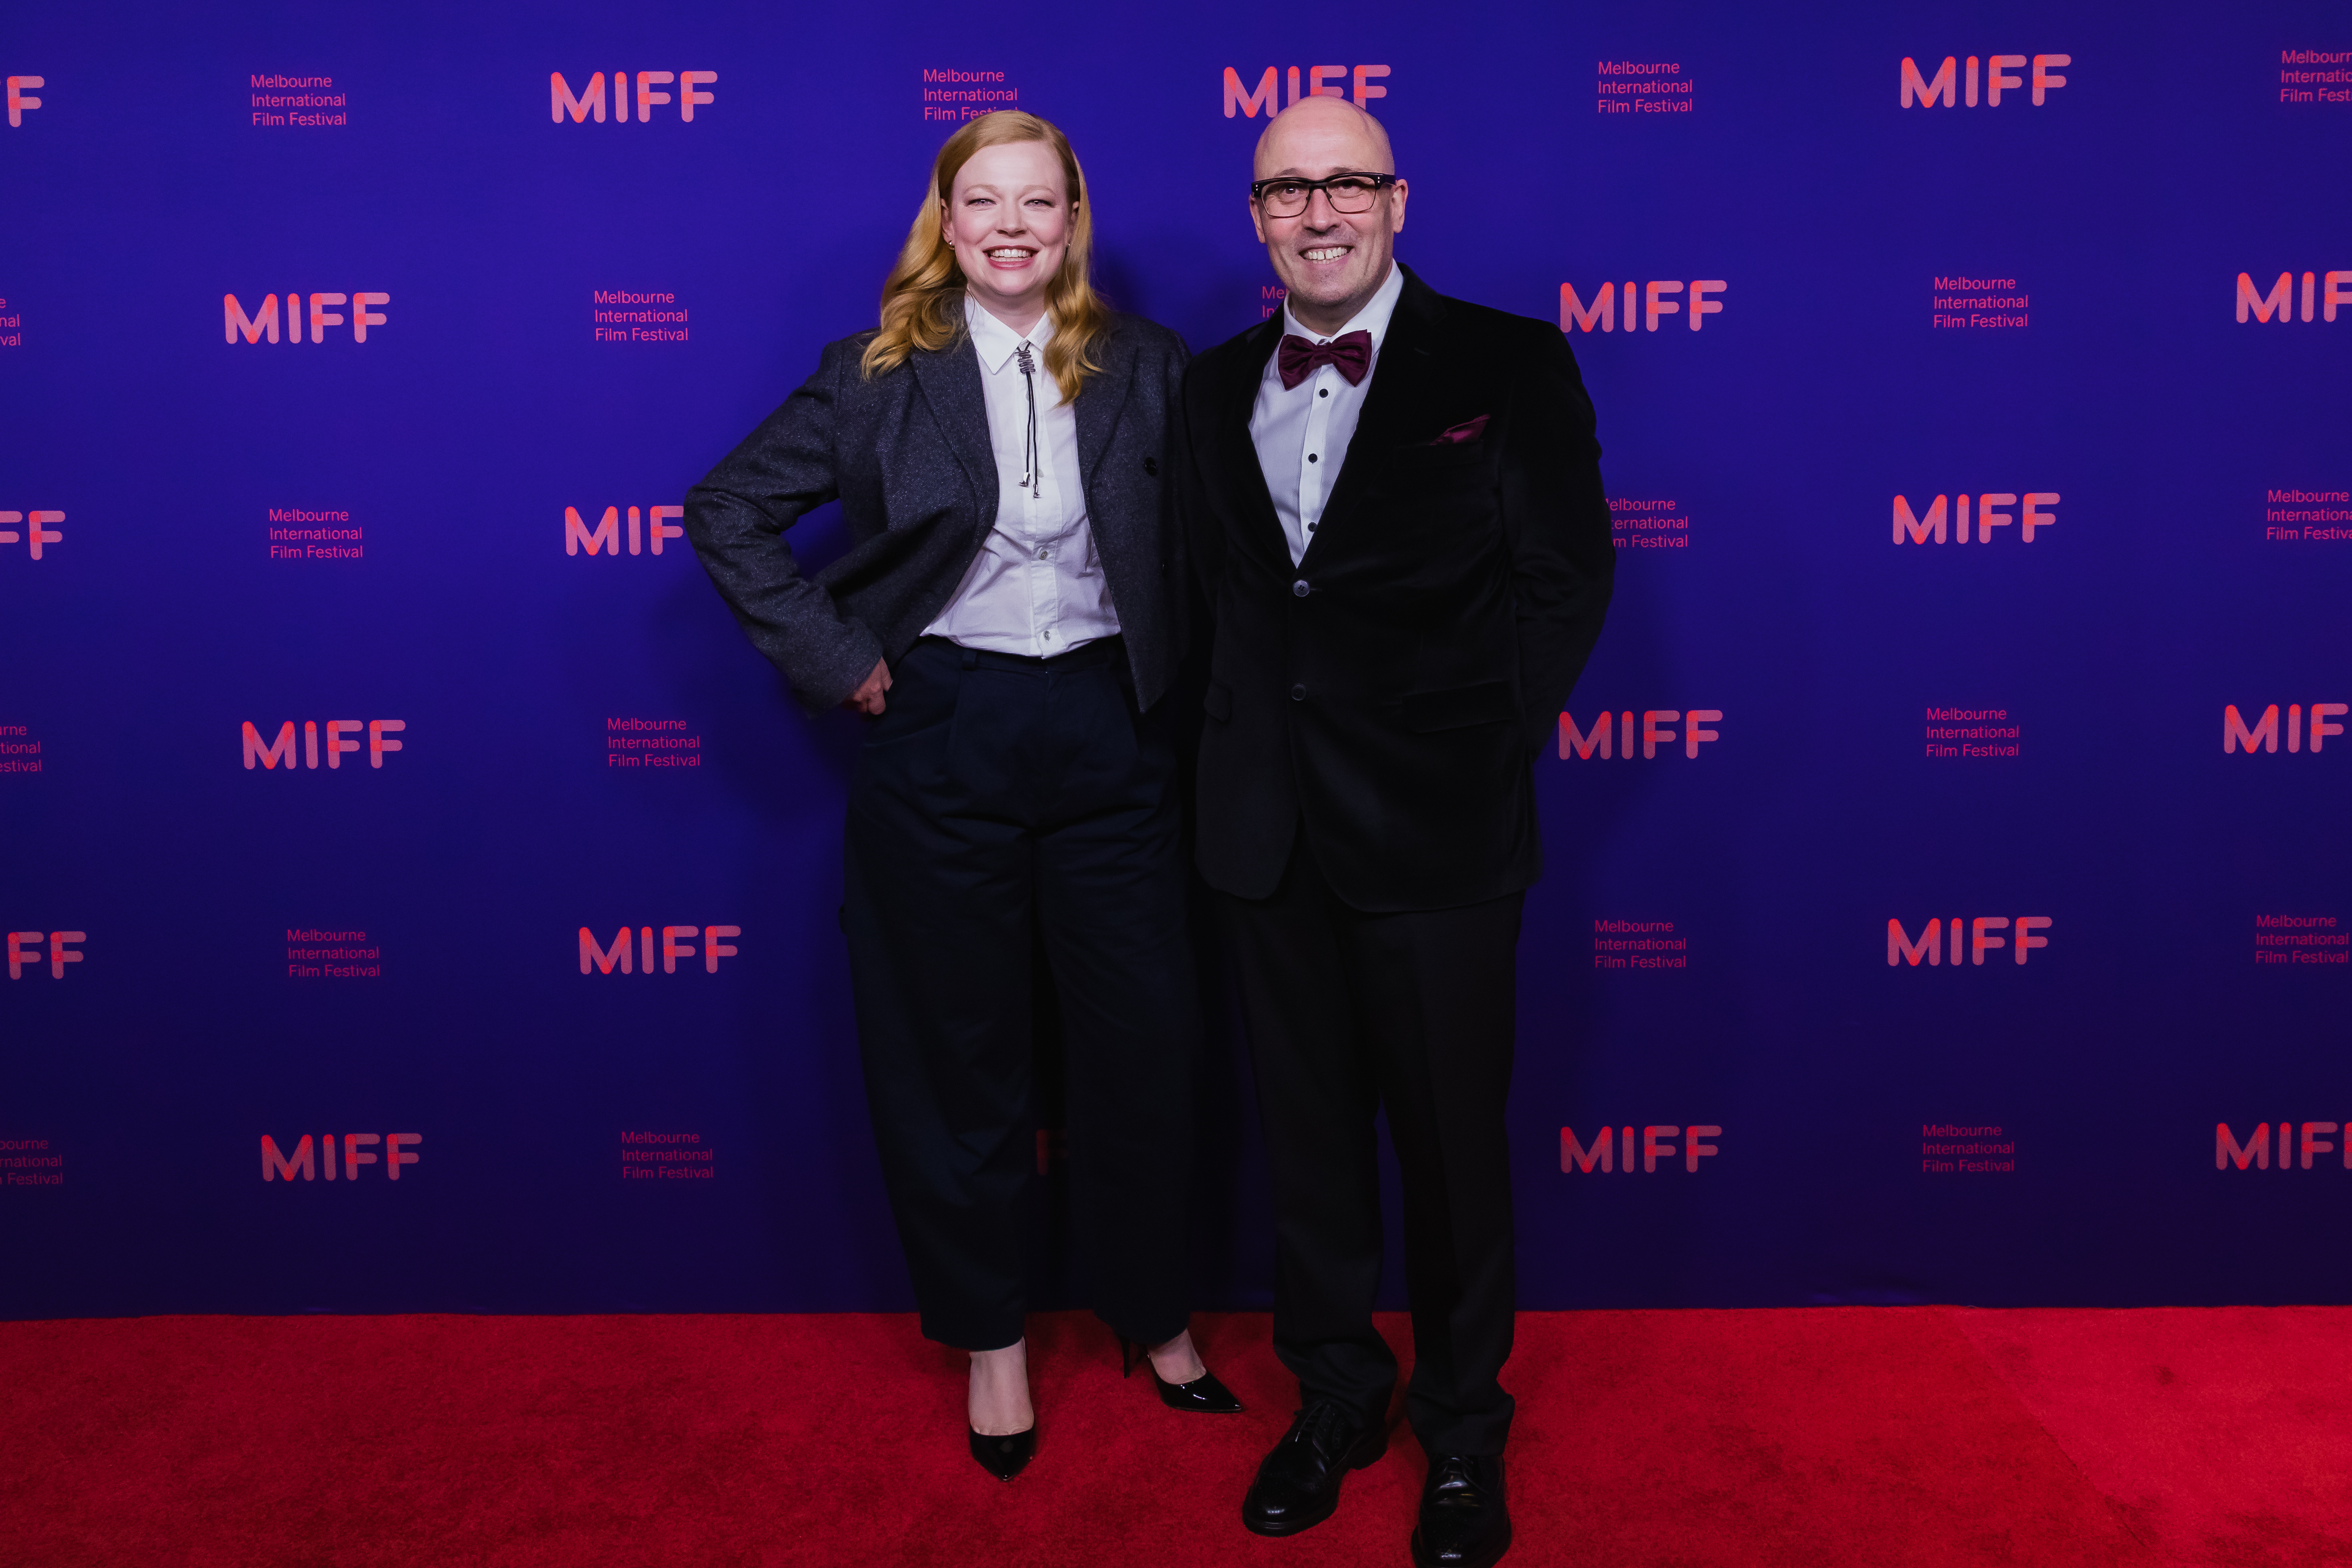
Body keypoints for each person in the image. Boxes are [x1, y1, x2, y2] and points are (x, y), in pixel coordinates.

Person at [684, 110, 1240, 1484]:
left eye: (1036, 204)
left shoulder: (1148, 365)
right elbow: (726, 509)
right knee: (956, 1058)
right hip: (945, 731)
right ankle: (991, 1340)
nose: (1009, 226)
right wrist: (843, 659)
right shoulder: (880, 371)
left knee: (1145, 1048)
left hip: (1116, 736)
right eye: (981, 200)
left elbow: (1216, 548)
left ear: (1071, 222)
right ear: (947, 219)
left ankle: (1154, 1316)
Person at [1172, 96, 1613, 1566]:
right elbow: (1213, 607)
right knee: (1309, 1152)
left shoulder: (1508, 359)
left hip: (1439, 836)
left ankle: (1465, 1437)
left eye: (1348, 182)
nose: (1320, 210)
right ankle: (1337, 1401)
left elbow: (1566, 581)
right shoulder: (1213, 382)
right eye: (1288, 189)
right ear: (1256, 217)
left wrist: (1481, 749)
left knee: (1449, 1153)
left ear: (1400, 200)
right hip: (1264, 837)